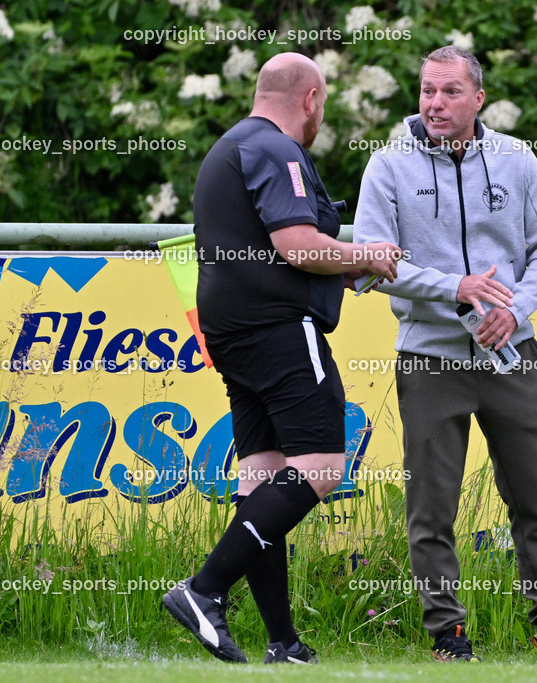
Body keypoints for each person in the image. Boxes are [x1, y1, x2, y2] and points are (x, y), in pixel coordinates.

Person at [353, 45, 537, 662]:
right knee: (432, 509)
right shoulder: (387, 167)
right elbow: (373, 261)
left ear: (478, 99)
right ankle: (448, 637)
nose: (436, 103)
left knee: (534, 497)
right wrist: (456, 288)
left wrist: (513, 308)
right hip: (431, 359)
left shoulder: (518, 160)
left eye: (450, 92)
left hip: (513, 355)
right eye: (427, 91)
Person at [162, 52, 401, 665]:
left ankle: (283, 642)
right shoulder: (276, 149)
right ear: (312, 99)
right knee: (321, 464)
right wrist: (365, 255)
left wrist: (344, 271)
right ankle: (203, 589)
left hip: (232, 332)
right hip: (275, 329)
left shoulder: (229, 148)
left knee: (265, 480)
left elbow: (266, 247)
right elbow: (296, 245)